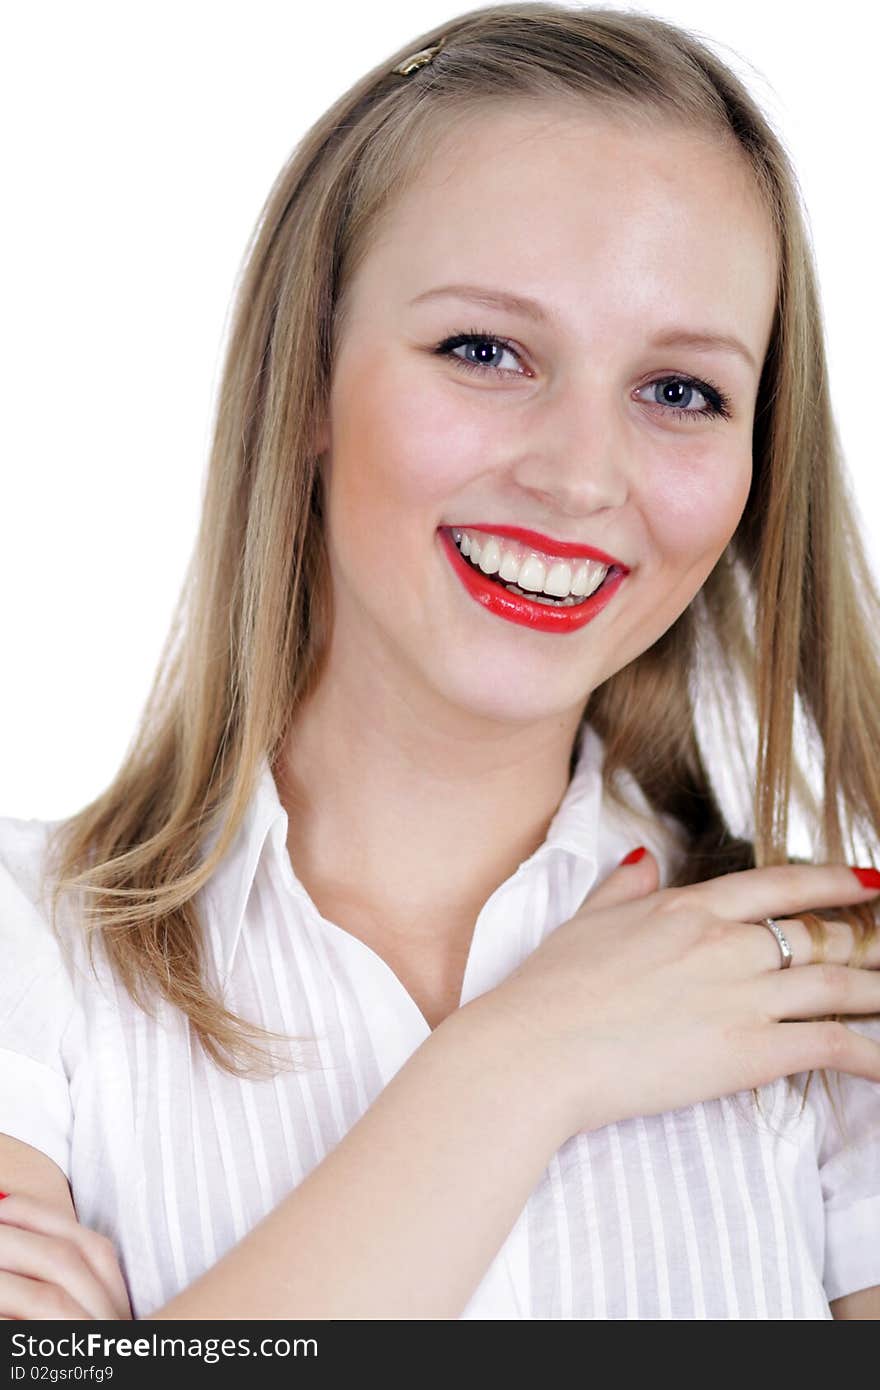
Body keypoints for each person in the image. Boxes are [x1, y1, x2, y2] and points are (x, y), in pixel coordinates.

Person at [1, 2, 879, 1322]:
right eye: (485, 350)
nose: (581, 477)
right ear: (306, 379)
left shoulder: (829, 999)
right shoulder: (32, 950)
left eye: (682, 389)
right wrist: (521, 1065)